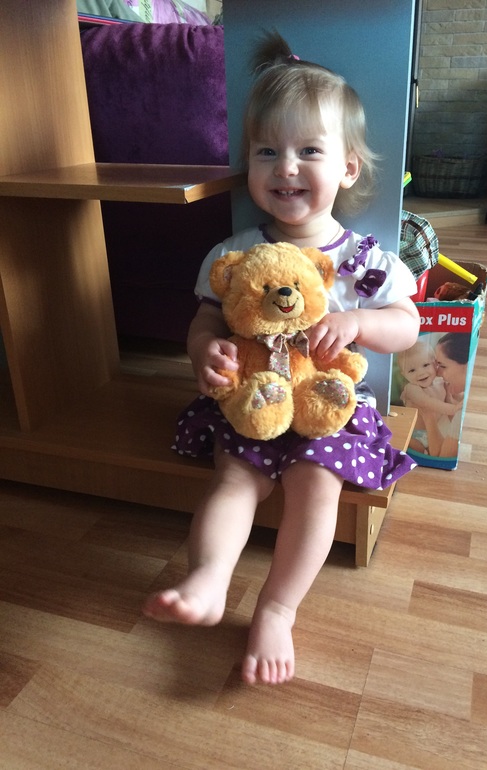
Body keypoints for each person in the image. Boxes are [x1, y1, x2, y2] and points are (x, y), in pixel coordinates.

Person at [143, 32, 420, 685]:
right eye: (267, 151)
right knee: (234, 479)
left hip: (329, 410)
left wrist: (358, 322)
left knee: (317, 489)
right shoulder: (234, 255)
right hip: (255, 402)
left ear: (347, 168)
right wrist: (205, 351)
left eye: (308, 151)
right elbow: (206, 320)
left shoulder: (365, 262)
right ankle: (209, 578)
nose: (285, 167)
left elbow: (408, 326)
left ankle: (277, 608)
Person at [397, 338, 461, 454]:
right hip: (416, 433)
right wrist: (453, 409)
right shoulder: (411, 389)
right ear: (404, 374)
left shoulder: (440, 381)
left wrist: (454, 402)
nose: (421, 373)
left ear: (435, 364)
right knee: (416, 449)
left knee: (445, 448)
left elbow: (449, 398)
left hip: (437, 429)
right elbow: (427, 402)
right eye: (412, 370)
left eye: (425, 365)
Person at [420, 332, 470, 458]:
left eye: (443, 366)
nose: (437, 373)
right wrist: (449, 401)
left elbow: (441, 459)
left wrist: (429, 417)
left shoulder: (462, 410)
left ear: (467, 365)